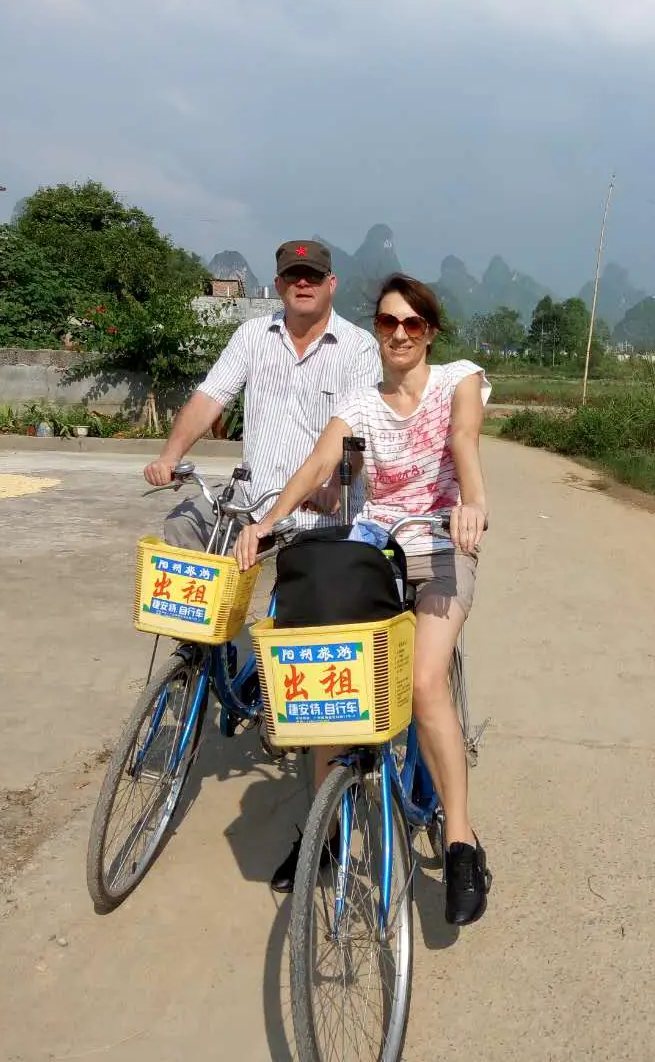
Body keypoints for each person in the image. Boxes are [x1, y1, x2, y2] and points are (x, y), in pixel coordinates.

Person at [236, 273, 491, 926]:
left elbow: (463, 440)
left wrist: (474, 503)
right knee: (335, 676)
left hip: (438, 543)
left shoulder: (458, 379)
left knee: (424, 683)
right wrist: (270, 522)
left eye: (412, 324)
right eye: (387, 323)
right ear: (374, 330)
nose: (399, 334)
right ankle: (323, 831)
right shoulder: (359, 400)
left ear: (430, 332)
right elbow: (327, 465)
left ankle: (461, 841)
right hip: (374, 545)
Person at [143, 239, 381, 546]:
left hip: (318, 506)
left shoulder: (359, 348)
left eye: (314, 276)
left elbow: (357, 433)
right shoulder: (251, 336)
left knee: (313, 582)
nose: (304, 283)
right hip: (253, 498)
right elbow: (210, 396)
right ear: (279, 285)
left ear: (331, 283)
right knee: (183, 523)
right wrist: (169, 457)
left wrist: (335, 487)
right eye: (293, 276)